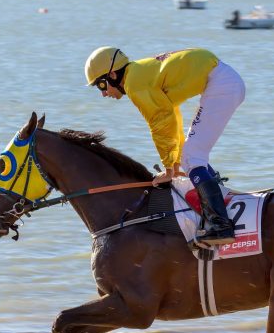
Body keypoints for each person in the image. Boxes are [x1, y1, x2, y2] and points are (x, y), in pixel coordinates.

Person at [84, 46, 246, 245]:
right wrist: (175, 164)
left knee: (192, 156)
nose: (103, 94)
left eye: (101, 85)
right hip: (223, 81)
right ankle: (216, 203)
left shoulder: (135, 84)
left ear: (112, 74)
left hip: (222, 85)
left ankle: (220, 224)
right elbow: (171, 117)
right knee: (190, 155)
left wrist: (169, 169)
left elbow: (160, 123)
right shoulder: (138, 74)